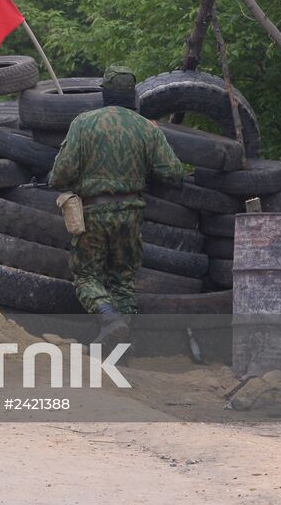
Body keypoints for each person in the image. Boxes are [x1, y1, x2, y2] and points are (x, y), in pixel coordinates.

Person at [48, 65, 186, 343]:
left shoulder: (84, 123)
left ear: (105, 94)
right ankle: (120, 350)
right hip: (130, 214)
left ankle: (108, 318)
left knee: (87, 275)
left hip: (93, 214)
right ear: (132, 96)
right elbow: (173, 173)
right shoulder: (147, 128)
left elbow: (60, 174)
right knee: (123, 283)